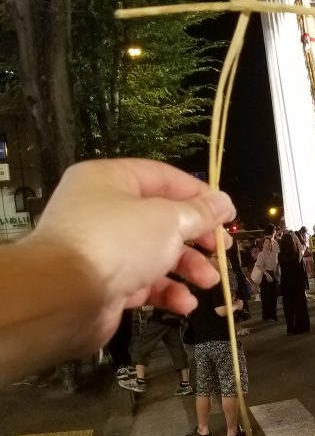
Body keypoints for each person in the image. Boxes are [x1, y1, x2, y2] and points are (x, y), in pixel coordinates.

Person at [0, 158, 235, 385]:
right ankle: (157, 378)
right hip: (168, 316)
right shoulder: (169, 264)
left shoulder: (169, 265)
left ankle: (147, 377)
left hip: (165, 317)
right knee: (167, 347)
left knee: (151, 348)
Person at [184, 248, 248, 436]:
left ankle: (202, 429)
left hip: (201, 343)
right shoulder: (214, 281)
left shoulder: (191, 285)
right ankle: (232, 430)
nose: (221, 260)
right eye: (216, 256)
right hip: (221, 341)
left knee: (204, 388)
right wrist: (237, 306)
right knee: (228, 387)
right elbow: (221, 311)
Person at [119, 304, 193, 395]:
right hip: (176, 318)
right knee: (177, 349)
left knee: (140, 346)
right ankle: (185, 385)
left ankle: (140, 382)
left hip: (161, 317)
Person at [278, 233, 310, 335]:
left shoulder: (280, 256)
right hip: (298, 283)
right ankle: (301, 327)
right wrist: (295, 237)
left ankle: (290, 328)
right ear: (293, 243)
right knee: (300, 305)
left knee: (288, 307)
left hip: (286, 283)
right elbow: (302, 248)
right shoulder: (297, 255)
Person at [252, 230, 279, 322]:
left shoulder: (273, 253)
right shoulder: (261, 254)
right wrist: (267, 275)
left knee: (274, 296)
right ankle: (267, 316)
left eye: (270, 243)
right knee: (266, 297)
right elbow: (260, 265)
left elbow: (275, 265)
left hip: (273, 274)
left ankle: (274, 315)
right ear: (262, 244)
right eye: (266, 243)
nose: (268, 244)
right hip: (265, 275)